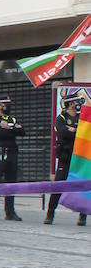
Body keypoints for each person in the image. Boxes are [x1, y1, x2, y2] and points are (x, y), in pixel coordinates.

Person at [45, 91, 87, 227]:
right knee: (59, 185)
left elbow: (85, 133)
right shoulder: (61, 118)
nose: (78, 105)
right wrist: (75, 132)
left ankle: (82, 216)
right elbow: (62, 133)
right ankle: (50, 214)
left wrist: (73, 130)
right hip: (65, 157)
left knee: (82, 186)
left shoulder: (82, 118)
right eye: (76, 103)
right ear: (70, 104)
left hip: (79, 158)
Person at [0, 95, 23, 220]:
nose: (8, 106)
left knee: (11, 183)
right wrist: (12, 129)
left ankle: (10, 212)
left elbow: (22, 131)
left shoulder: (12, 118)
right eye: (6, 104)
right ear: (0, 105)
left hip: (12, 153)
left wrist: (9, 127)